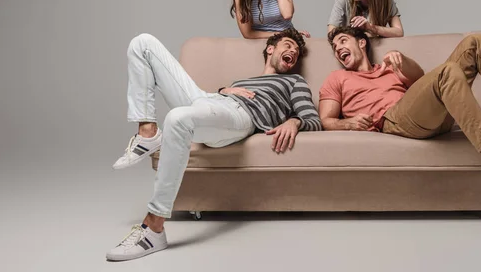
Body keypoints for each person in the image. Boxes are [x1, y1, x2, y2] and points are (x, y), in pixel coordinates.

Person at [107, 28, 321, 261]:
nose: (293, 51)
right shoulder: (244, 80)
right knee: (143, 43)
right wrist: (223, 90)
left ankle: (153, 228)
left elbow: (312, 118)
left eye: (297, 51)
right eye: (288, 45)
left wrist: (294, 121)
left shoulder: (294, 81)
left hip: (242, 116)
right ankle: (147, 131)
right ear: (270, 49)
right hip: (213, 100)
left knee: (177, 119)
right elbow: (212, 108)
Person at [319, 26, 481, 191]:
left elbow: (420, 79)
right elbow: (326, 119)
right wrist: (348, 123)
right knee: (447, 71)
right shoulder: (337, 78)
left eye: (343, 41)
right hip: (394, 121)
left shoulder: (389, 68)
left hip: (430, 113)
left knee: (475, 40)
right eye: (335, 47)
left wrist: (401, 58)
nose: (339, 48)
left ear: (361, 43)